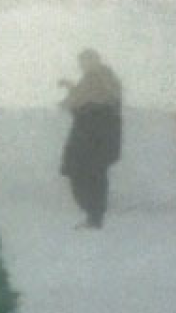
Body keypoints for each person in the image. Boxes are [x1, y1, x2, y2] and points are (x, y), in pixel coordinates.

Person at [59, 48, 122, 229]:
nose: (83, 65)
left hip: (94, 136)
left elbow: (92, 99)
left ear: (94, 61)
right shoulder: (95, 78)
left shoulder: (101, 77)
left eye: (85, 61)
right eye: (82, 62)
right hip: (90, 135)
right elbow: (82, 99)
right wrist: (72, 90)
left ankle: (94, 216)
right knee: (87, 174)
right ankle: (93, 215)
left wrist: (72, 95)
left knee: (90, 174)